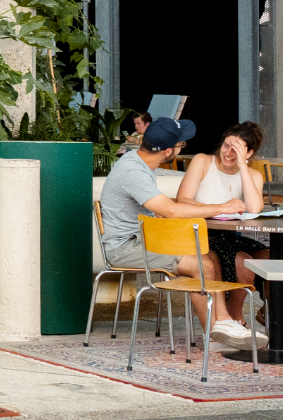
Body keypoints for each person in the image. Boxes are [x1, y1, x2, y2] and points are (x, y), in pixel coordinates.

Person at [98, 117, 258, 347]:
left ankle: (222, 322)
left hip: (141, 240)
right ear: (167, 151)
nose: (181, 148)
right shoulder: (133, 172)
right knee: (201, 265)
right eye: (181, 145)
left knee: (210, 256)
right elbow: (171, 210)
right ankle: (216, 333)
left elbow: (161, 211)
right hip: (124, 248)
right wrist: (223, 207)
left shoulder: (139, 164)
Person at [177, 122, 270, 324]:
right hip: (201, 233)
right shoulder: (203, 161)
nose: (228, 153)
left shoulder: (253, 175)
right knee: (244, 263)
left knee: (274, 260)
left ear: (249, 153)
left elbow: (254, 208)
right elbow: (182, 200)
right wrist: (221, 206)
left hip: (229, 235)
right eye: (226, 145)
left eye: (237, 149)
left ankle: (270, 316)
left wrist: (243, 167)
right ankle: (235, 317)